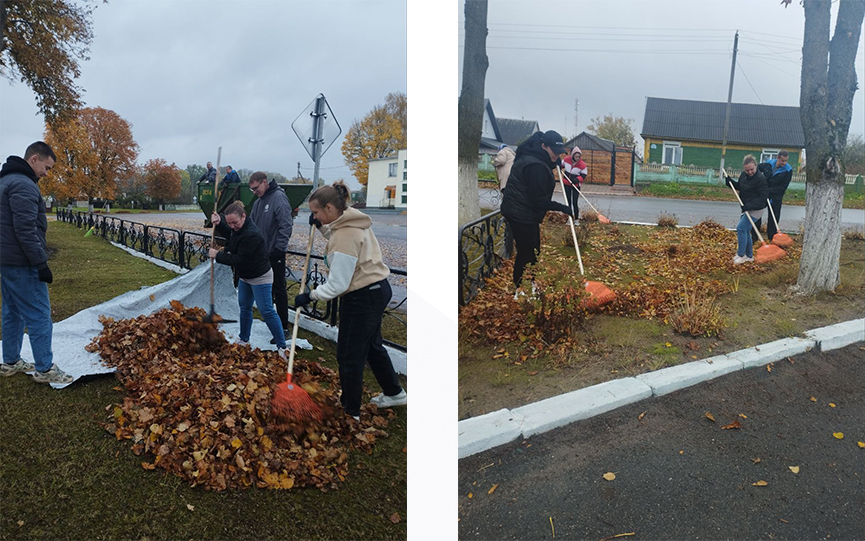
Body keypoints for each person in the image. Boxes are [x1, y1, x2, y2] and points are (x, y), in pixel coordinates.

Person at [293, 181, 406, 420]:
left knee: (349, 354)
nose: (314, 216)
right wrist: (322, 228)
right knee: (372, 347)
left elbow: (338, 284)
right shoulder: (353, 219)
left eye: (316, 212)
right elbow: (339, 237)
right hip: (376, 289)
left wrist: (310, 296)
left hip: (362, 296)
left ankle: (350, 411)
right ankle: (394, 392)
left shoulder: (345, 235)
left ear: (330, 208)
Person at [0, 142, 72, 383]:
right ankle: (45, 369)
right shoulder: (23, 185)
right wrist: (41, 264)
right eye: (47, 167)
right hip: (22, 262)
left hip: (7, 260)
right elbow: (26, 230)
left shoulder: (5, 181)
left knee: (12, 311)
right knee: (39, 313)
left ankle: (10, 361)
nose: (46, 173)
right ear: (33, 159)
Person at [209, 201, 287, 353]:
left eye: (234, 222)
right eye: (229, 222)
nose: (232, 226)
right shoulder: (238, 229)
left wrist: (218, 255)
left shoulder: (252, 234)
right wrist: (219, 224)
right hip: (245, 277)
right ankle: (244, 339)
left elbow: (239, 259)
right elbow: (232, 235)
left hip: (260, 277)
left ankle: (282, 346)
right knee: (244, 307)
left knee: (267, 311)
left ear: (243, 216)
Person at [500, 130, 574, 289]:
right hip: (520, 212)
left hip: (525, 211)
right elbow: (539, 201)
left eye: (559, 152)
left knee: (534, 250)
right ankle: (520, 289)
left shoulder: (535, 157)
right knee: (526, 252)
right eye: (554, 151)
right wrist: (563, 208)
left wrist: (553, 161)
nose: (557, 155)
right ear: (543, 146)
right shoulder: (535, 166)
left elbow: (545, 164)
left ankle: (531, 284)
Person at [247, 171, 294, 341]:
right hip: (261, 254)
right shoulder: (259, 202)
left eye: (256, 188)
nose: (254, 191)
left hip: (275, 254)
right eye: (252, 189)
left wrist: (279, 250)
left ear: (264, 182)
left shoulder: (278, 198)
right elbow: (250, 225)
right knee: (266, 289)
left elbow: (286, 225)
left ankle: (283, 327)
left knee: (279, 289)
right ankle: (272, 321)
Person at [725, 155, 768, 264]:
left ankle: (741, 255)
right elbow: (740, 186)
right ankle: (749, 256)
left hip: (757, 209)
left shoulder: (760, 179)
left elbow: (763, 198)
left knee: (741, 228)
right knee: (746, 231)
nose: (749, 172)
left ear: (756, 166)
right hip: (747, 207)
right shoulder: (744, 175)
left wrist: (749, 205)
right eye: (747, 170)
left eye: (751, 169)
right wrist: (730, 183)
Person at [757, 150, 793, 241]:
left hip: (776, 196)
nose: (784, 163)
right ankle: (755, 236)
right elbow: (757, 168)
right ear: (777, 158)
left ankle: (772, 239)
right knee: (757, 212)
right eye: (782, 160)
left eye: (786, 161)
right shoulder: (769, 163)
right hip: (763, 193)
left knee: (773, 218)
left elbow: (783, 187)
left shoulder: (788, 170)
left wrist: (770, 191)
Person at [561, 146, 588, 219]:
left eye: (579, 157)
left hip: (576, 185)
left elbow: (584, 175)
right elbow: (561, 165)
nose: (577, 158)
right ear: (572, 155)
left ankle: (576, 218)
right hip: (566, 183)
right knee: (568, 201)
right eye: (576, 157)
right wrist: (559, 166)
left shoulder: (582, 165)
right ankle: (569, 218)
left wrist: (577, 179)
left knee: (574, 202)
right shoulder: (566, 160)